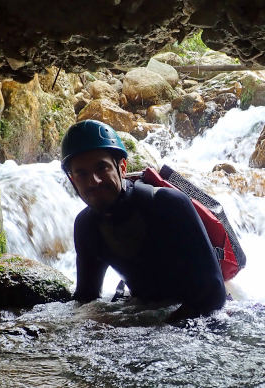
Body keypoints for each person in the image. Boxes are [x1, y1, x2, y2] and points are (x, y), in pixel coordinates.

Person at [61, 119, 226, 322]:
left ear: (122, 167)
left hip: (201, 322)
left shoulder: (167, 204)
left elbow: (214, 294)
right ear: (72, 179)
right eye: (81, 173)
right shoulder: (87, 227)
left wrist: (158, 330)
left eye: (101, 168)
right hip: (147, 316)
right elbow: (85, 298)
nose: (93, 181)